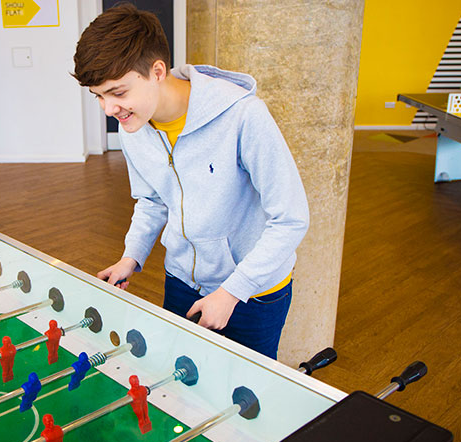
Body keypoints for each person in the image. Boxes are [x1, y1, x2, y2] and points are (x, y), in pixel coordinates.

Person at [73, 4, 309, 360]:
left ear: (156, 72)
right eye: (99, 96)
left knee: (247, 400)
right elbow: (152, 201)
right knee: (182, 392)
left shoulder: (243, 116)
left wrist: (232, 292)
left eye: (118, 93)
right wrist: (130, 257)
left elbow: (291, 219)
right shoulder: (134, 127)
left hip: (254, 292)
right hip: (183, 282)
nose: (109, 109)